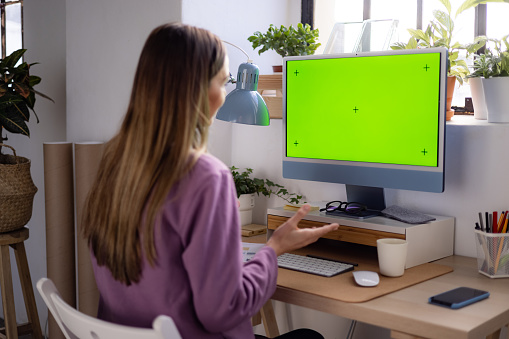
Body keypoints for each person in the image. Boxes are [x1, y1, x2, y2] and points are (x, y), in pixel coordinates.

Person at [82, 23, 338, 339]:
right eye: (223, 82)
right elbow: (222, 310)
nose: (224, 95)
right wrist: (272, 250)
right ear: (196, 90)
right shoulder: (205, 177)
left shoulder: (115, 162)